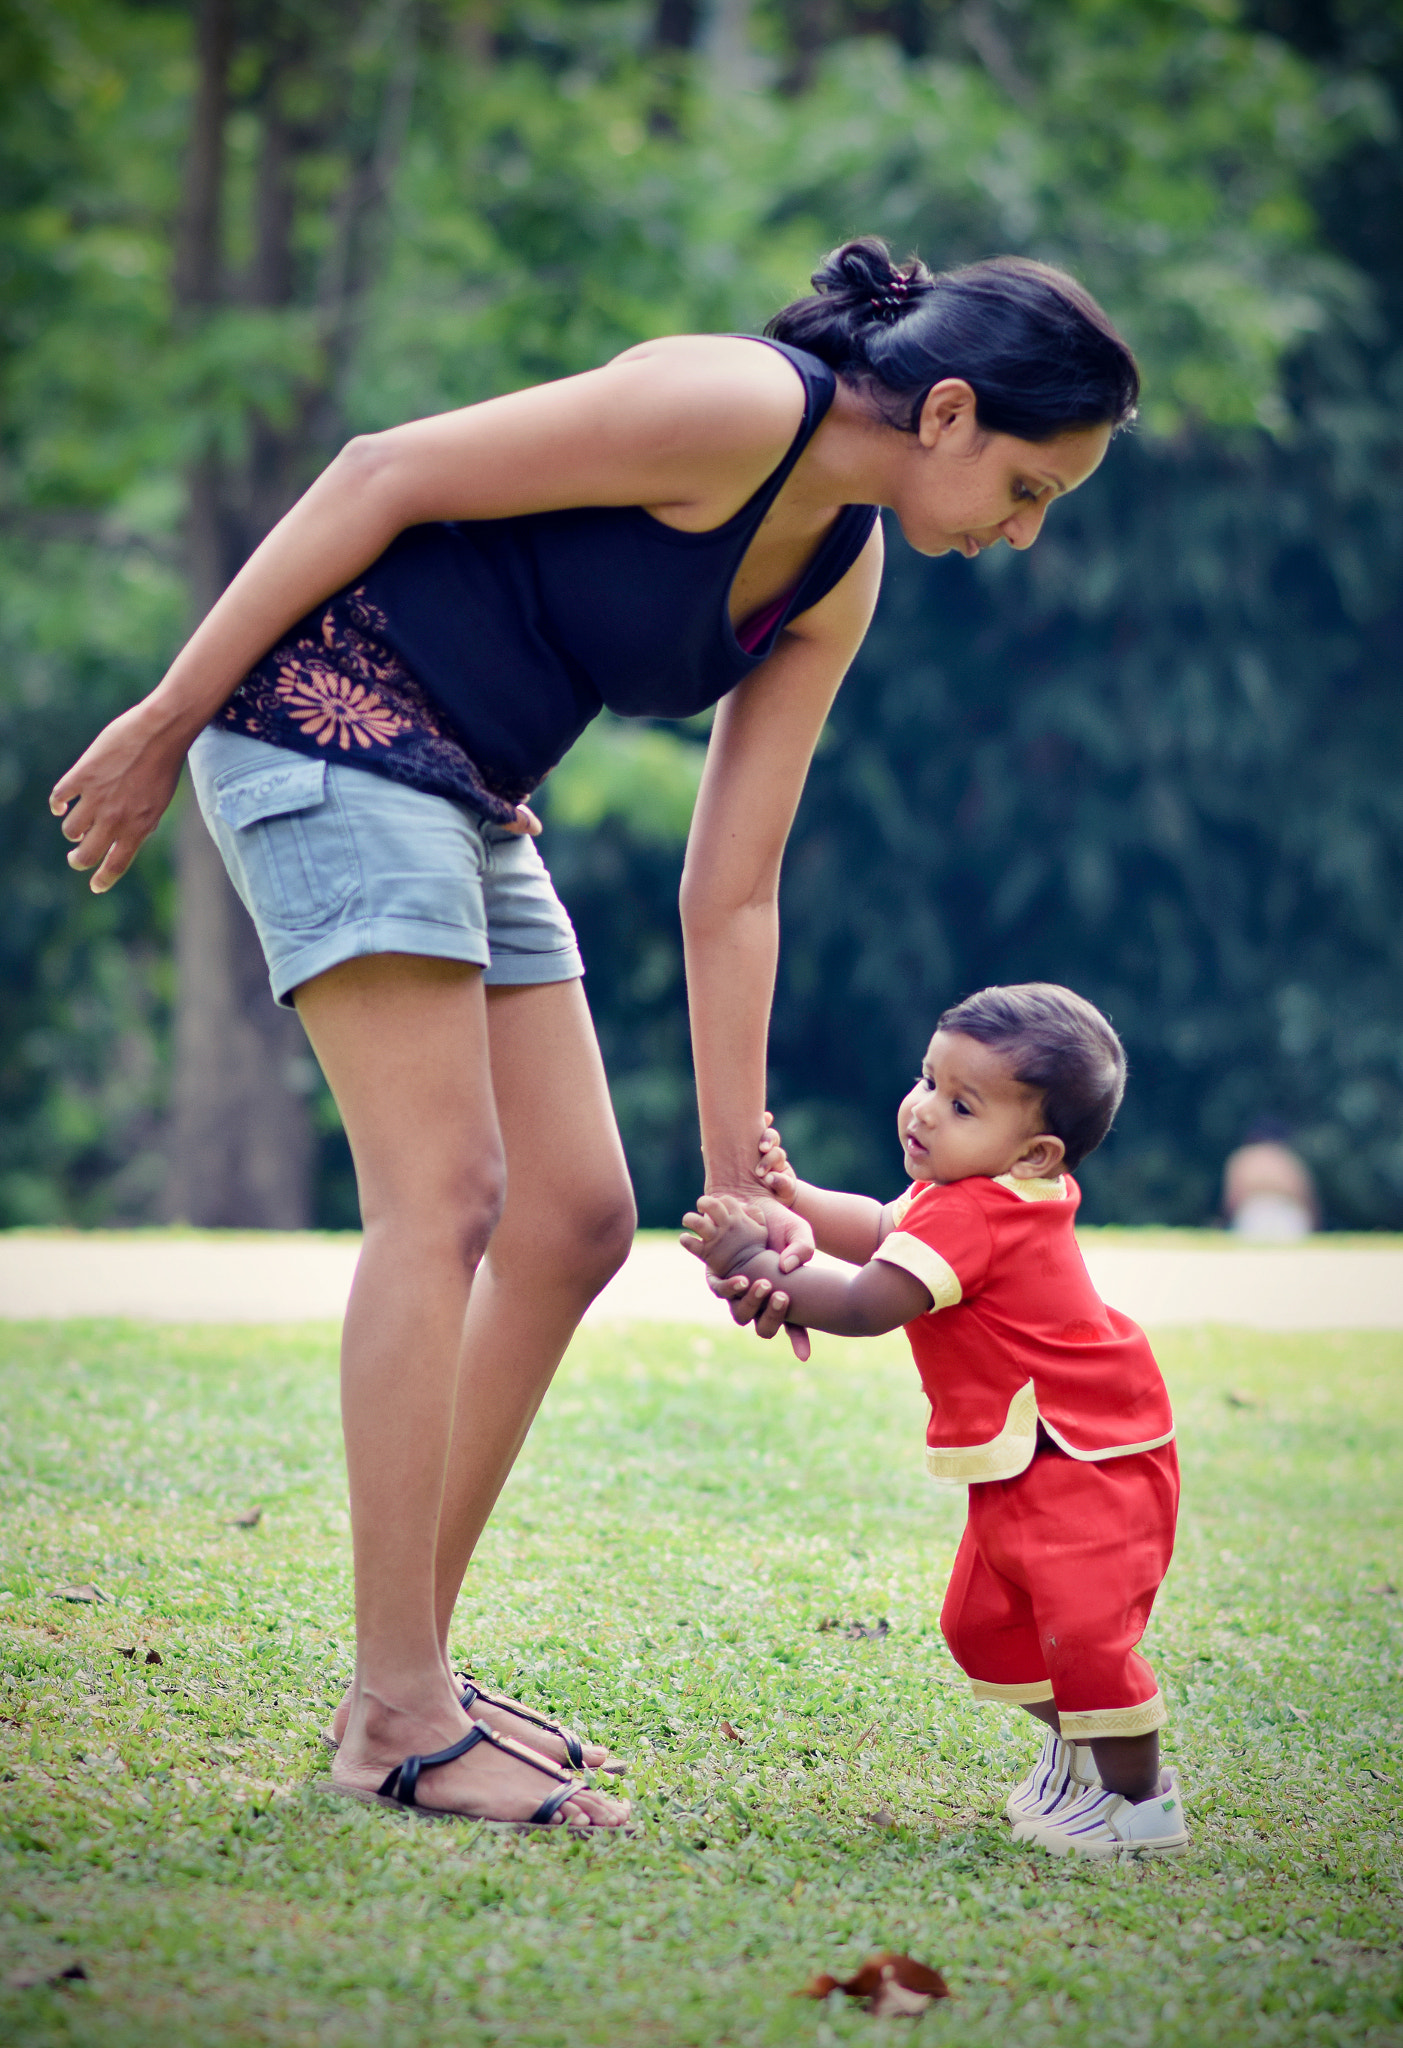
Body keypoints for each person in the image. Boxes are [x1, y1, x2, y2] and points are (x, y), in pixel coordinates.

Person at [50, 239, 1138, 1827]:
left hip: (470, 794)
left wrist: (738, 1187)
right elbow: (382, 472)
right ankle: (401, 1716)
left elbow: (732, 886)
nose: (1022, 532)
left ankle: (394, 1677)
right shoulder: (727, 400)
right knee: (449, 1194)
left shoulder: (840, 566)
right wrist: (163, 714)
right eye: (1028, 488)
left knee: (573, 1220)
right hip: (326, 719)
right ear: (949, 412)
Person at [684, 983, 1187, 1859]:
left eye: (960, 1103)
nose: (922, 1111)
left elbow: (868, 1303)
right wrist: (792, 1194)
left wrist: (751, 1258)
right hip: (1031, 1456)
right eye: (925, 1080)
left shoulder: (981, 1208)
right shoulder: (968, 1194)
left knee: (1086, 1637)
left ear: (1034, 1152)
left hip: (1086, 1458)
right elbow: (885, 1226)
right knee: (981, 1626)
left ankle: (1141, 1803)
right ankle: (1083, 1738)